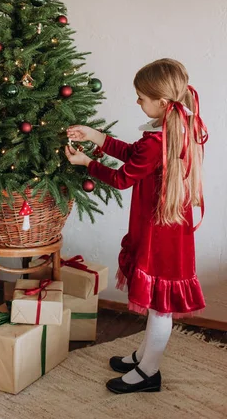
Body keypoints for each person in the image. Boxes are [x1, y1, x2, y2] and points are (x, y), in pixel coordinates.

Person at [65, 58, 208, 394]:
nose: (137, 102)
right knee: (159, 304)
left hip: (160, 235)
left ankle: (149, 372)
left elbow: (121, 177)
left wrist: (87, 162)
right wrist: (96, 136)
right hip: (170, 230)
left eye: (141, 97)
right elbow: (133, 153)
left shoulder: (158, 140)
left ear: (161, 102)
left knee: (160, 307)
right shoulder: (178, 126)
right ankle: (144, 356)